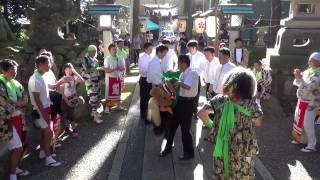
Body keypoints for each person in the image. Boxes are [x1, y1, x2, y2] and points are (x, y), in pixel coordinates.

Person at [197, 67, 263, 179]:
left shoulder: (219, 100)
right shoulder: (251, 105)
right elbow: (258, 122)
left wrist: (213, 126)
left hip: (222, 150)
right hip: (242, 153)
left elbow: (201, 113)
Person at [159, 55, 199, 160]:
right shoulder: (182, 73)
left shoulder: (192, 72)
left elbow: (188, 86)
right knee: (172, 126)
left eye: (178, 63)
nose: (178, 65)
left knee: (185, 129)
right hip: (180, 101)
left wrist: (179, 83)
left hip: (188, 104)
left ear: (183, 63)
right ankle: (168, 148)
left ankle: (189, 153)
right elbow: (179, 87)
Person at [28, 55, 61, 167]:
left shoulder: (41, 76)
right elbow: (37, 99)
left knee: (44, 132)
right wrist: (45, 115)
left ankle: (43, 152)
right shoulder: (35, 79)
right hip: (41, 109)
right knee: (47, 133)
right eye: (47, 63)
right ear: (40, 65)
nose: (49, 65)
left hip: (46, 107)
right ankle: (48, 157)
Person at [0, 59, 30, 180]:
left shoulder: (16, 83)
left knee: (19, 145)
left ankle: (15, 168)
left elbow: (25, 99)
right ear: (4, 70)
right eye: (12, 69)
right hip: (6, 122)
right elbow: (4, 104)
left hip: (18, 119)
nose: (15, 72)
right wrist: (18, 104)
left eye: (16, 69)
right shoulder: (1, 83)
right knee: (16, 148)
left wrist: (16, 103)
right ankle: (12, 174)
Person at [292, 52, 320, 152]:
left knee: (307, 124)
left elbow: (310, 87)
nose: (309, 61)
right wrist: (298, 77)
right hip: (302, 100)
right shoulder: (309, 70)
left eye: (311, 60)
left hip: (311, 102)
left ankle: (312, 145)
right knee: (299, 121)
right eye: (309, 59)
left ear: (318, 62)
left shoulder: (318, 74)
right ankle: (301, 140)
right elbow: (297, 82)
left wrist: (300, 78)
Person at [147, 45, 169, 133]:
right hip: (157, 86)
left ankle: (157, 125)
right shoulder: (155, 62)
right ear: (159, 52)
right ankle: (158, 127)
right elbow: (156, 77)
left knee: (156, 106)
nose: (165, 55)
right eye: (164, 53)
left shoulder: (155, 61)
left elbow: (151, 76)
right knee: (160, 107)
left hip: (155, 85)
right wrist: (162, 86)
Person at [59, 63, 84, 137]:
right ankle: (74, 129)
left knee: (69, 114)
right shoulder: (63, 79)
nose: (69, 71)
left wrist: (75, 72)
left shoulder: (73, 78)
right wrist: (67, 101)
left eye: (70, 70)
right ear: (64, 70)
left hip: (73, 99)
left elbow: (82, 80)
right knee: (71, 115)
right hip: (65, 100)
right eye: (67, 70)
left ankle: (67, 127)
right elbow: (62, 93)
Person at [81, 45, 103, 124]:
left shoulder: (95, 60)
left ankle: (94, 112)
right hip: (90, 81)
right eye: (92, 51)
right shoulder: (85, 59)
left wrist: (98, 69)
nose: (94, 53)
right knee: (93, 97)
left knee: (97, 97)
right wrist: (97, 68)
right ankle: (95, 117)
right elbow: (87, 70)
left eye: (95, 51)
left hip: (96, 81)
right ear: (89, 52)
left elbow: (96, 71)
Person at [103, 43, 126, 113]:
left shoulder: (120, 58)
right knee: (108, 93)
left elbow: (123, 68)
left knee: (118, 93)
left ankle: (119, 106)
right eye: (113, 50)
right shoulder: (107, 59)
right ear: (109, 51)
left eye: (115, 49)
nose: (115, 51)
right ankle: (106, 107)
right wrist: (114, 69)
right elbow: (106, 70)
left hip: (117, 78)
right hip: (110, 79)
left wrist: (120, 68)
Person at [187, 40, 206, 116]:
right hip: (188, 77)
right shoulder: (187, 55)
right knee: (188, 94)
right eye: (188, 49)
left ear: (195, 48)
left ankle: (195, 111)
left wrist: (195, 72)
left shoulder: (201, 56)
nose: (189, 50)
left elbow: (202, 67)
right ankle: (189, 110)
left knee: (196, 94)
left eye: (190, 48)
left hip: (196, 77)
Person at [138, 42, 153, 122]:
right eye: (150, 49)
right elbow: (142, 71)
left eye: (152, 48)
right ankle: (143, 115)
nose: (151, 50)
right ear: (146, 49)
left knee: (150, 98)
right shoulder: (142, 58)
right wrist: (151, 71)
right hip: (144, 80)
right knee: (144, 98)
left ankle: (148, 115)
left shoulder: (151, 57)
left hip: (151, 80)